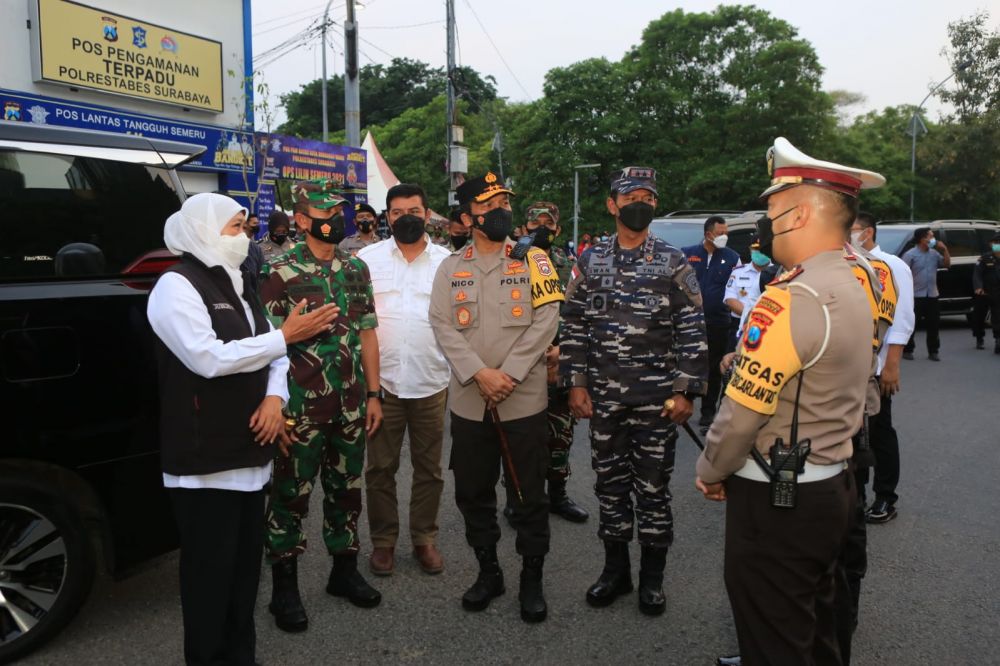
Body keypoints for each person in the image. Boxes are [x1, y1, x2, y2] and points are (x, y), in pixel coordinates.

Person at [696, 137, 883, 665]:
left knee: (774, 641)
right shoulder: (860, 277)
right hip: (833, 483)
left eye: (773, 209)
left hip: (780, 499)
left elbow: (740, 413)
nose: (766, 222)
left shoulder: (790, 297)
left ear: (800, 214)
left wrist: (712, 468)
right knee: (816, 627)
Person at [148, 193, 337, 665]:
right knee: (209, 582)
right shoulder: (176, 286)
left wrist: (275, 397)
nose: (246, 236)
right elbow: (207, 357)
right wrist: (285, 337)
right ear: (204, 231)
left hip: (250, 458)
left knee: (242, 581)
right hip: (204, 463)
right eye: (236, 228)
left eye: (246, 227)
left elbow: (270, 351)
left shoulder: (238, 280)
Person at [562, 166, 708, 616]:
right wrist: (576, 384)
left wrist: (686, 391)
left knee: (653, 488)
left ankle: (652, 579)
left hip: (656, 401)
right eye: (630, 197)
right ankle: (615, 571)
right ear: (613, 205)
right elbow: (573, 323)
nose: (639, 203)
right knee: (609, 486)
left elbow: (692, 329)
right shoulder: (589, 260)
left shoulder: (672, 260)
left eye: (646, 196)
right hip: (604, 398)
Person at [428, 171, 561, 623]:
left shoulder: (535, 259)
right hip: (470, 402)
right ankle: (490, 572)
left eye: (505, 202)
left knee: (528, 495)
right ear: (468, 217)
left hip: (523, 400)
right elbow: (442, 325)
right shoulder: (450, 267)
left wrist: (507, 373)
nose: (502, 211)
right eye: (490, 206)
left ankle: (531, 578)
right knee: (473, 492)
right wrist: (478, 373)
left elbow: (547, 319)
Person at [260, 178, 385, 633]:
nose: (334, 222)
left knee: (346, 492)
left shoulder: (356, 268)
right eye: (324, 216)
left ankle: (344, 572)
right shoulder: (278, 272)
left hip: (351, 405)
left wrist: (374, 393)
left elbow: (368, 331)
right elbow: (265, 346)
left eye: (338, 215)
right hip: (300, 409)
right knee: (291, 497)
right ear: (300, 220)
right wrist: (273, 404)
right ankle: (284, 588)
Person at [358, 183, 452, 577]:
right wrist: (370, 390)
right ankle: (383, 543)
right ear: (387, 217)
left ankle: (423, 539)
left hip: (433, 381)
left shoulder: (449, 262)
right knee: (380, 470)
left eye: (414, 210)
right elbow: (357, 325)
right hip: (383, 386)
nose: (406, 217)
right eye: (397, 213)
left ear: (427, 214)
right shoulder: (366, 259)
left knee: (429, 469)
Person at [511, 201, 588, 523]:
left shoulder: (569, 262)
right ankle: (517, 500)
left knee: (560, 433)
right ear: (525, 226)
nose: (542, 227)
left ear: (557, 228)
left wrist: (565, 349)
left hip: (559, 359)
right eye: (536, 222)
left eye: (548, 223)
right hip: (521, 359)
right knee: (521, 436)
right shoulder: (511, 259)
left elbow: (578, 311)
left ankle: (557, 495)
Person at [850, 213, 915, 526]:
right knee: (853, 433)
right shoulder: (847, 262)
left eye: (852, 231)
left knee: (879, 432)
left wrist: (892, 366)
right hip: (851, 368)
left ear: (868, 232)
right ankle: (856, 494)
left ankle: (885, 496)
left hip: (877, 367)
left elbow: (901, 319)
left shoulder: (889, 265)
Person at [682, 216, 740, 430]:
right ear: (708, 234)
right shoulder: (687, 254)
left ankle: (708, 412)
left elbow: (736, 290)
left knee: (715, 368)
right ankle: (683, 404)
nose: (724, 237)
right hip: (690, 322)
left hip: (718, 322)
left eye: (727, 233)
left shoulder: (732, 258)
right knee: (688, 363)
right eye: (720, 233)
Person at [901, 227, 950, 361]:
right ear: (922, 239)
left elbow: (946, 264)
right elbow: (903, 274)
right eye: (930, 236)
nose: (933, 239)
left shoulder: (934, 254)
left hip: (932, 295)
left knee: (933, 324)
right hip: (916, 296)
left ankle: (933, 351)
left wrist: (945, 250)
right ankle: (908, 349)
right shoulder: (910, 255)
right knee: (912, 324)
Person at [723, 236, 771, 352]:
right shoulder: (738, 272)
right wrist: (752, 316)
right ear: (750, 250)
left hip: (768, 327)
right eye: (756, 249)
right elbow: (730, 299)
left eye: (762, 249)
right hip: (739, 325)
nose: (759, 252)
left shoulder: (778, 273)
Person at [972, 232, 1000, 353]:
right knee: (979, 316)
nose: (998, 245)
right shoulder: (984, 258)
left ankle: (998, 340)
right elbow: (977, 274)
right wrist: (978, 287)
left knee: (997, 316)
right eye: (996, 243)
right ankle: (979, 337)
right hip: (984, 292)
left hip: (997, 292)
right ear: (991, 244)